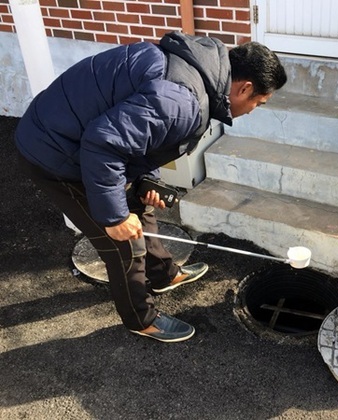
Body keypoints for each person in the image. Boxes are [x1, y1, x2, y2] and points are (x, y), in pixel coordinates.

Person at [14, 32, 287, 343]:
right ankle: (141, 319)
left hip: (77, 134)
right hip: (55, 152)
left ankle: (163, 274)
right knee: (122, 242)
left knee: (141, 205)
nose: (253, 110)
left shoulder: (195, 71)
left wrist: (149, 178)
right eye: (258, 103)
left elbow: (144, 135)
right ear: (245, 87)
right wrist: (115, 217)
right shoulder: (181, 101)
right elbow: (104, 143)